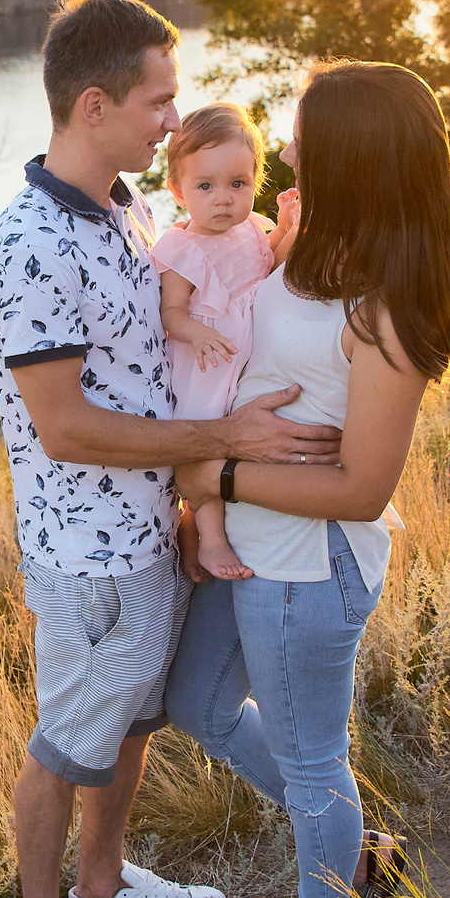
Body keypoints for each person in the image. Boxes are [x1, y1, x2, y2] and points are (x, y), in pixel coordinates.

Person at [0, 0, 344, 898]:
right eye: (158, 102)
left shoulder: (129, 208)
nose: (174, 121)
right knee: (67, 737)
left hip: (151, 526)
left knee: (134, 717)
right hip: (86, 547)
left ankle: (101, 888)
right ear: (94, 105)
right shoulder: (30, 243)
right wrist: (222, 444)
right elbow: (64, 426)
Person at [164, 61, 450, 898]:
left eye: (302, 136)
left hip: (310, 566)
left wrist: (214, 472)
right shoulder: (303, 247)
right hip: (250, 543)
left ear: (351, 156)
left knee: (311, 761)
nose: (287, 150)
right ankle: (352, 844)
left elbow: (362, 485)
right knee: (199, 705)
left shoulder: (388, 305)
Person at [151, 104, 299, 581]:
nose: (223, 199)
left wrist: (287, 229)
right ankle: (210, 537)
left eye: (237, 184)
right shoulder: (184, 249)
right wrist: (199, 334)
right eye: (205, 187)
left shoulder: (251, 227)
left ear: (255, 181)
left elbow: (269, 263)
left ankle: (242, 521)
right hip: (208, 361)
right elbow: (171, 313)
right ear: (178, 191)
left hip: (247, 354)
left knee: (249, 436)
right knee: (207, 444)